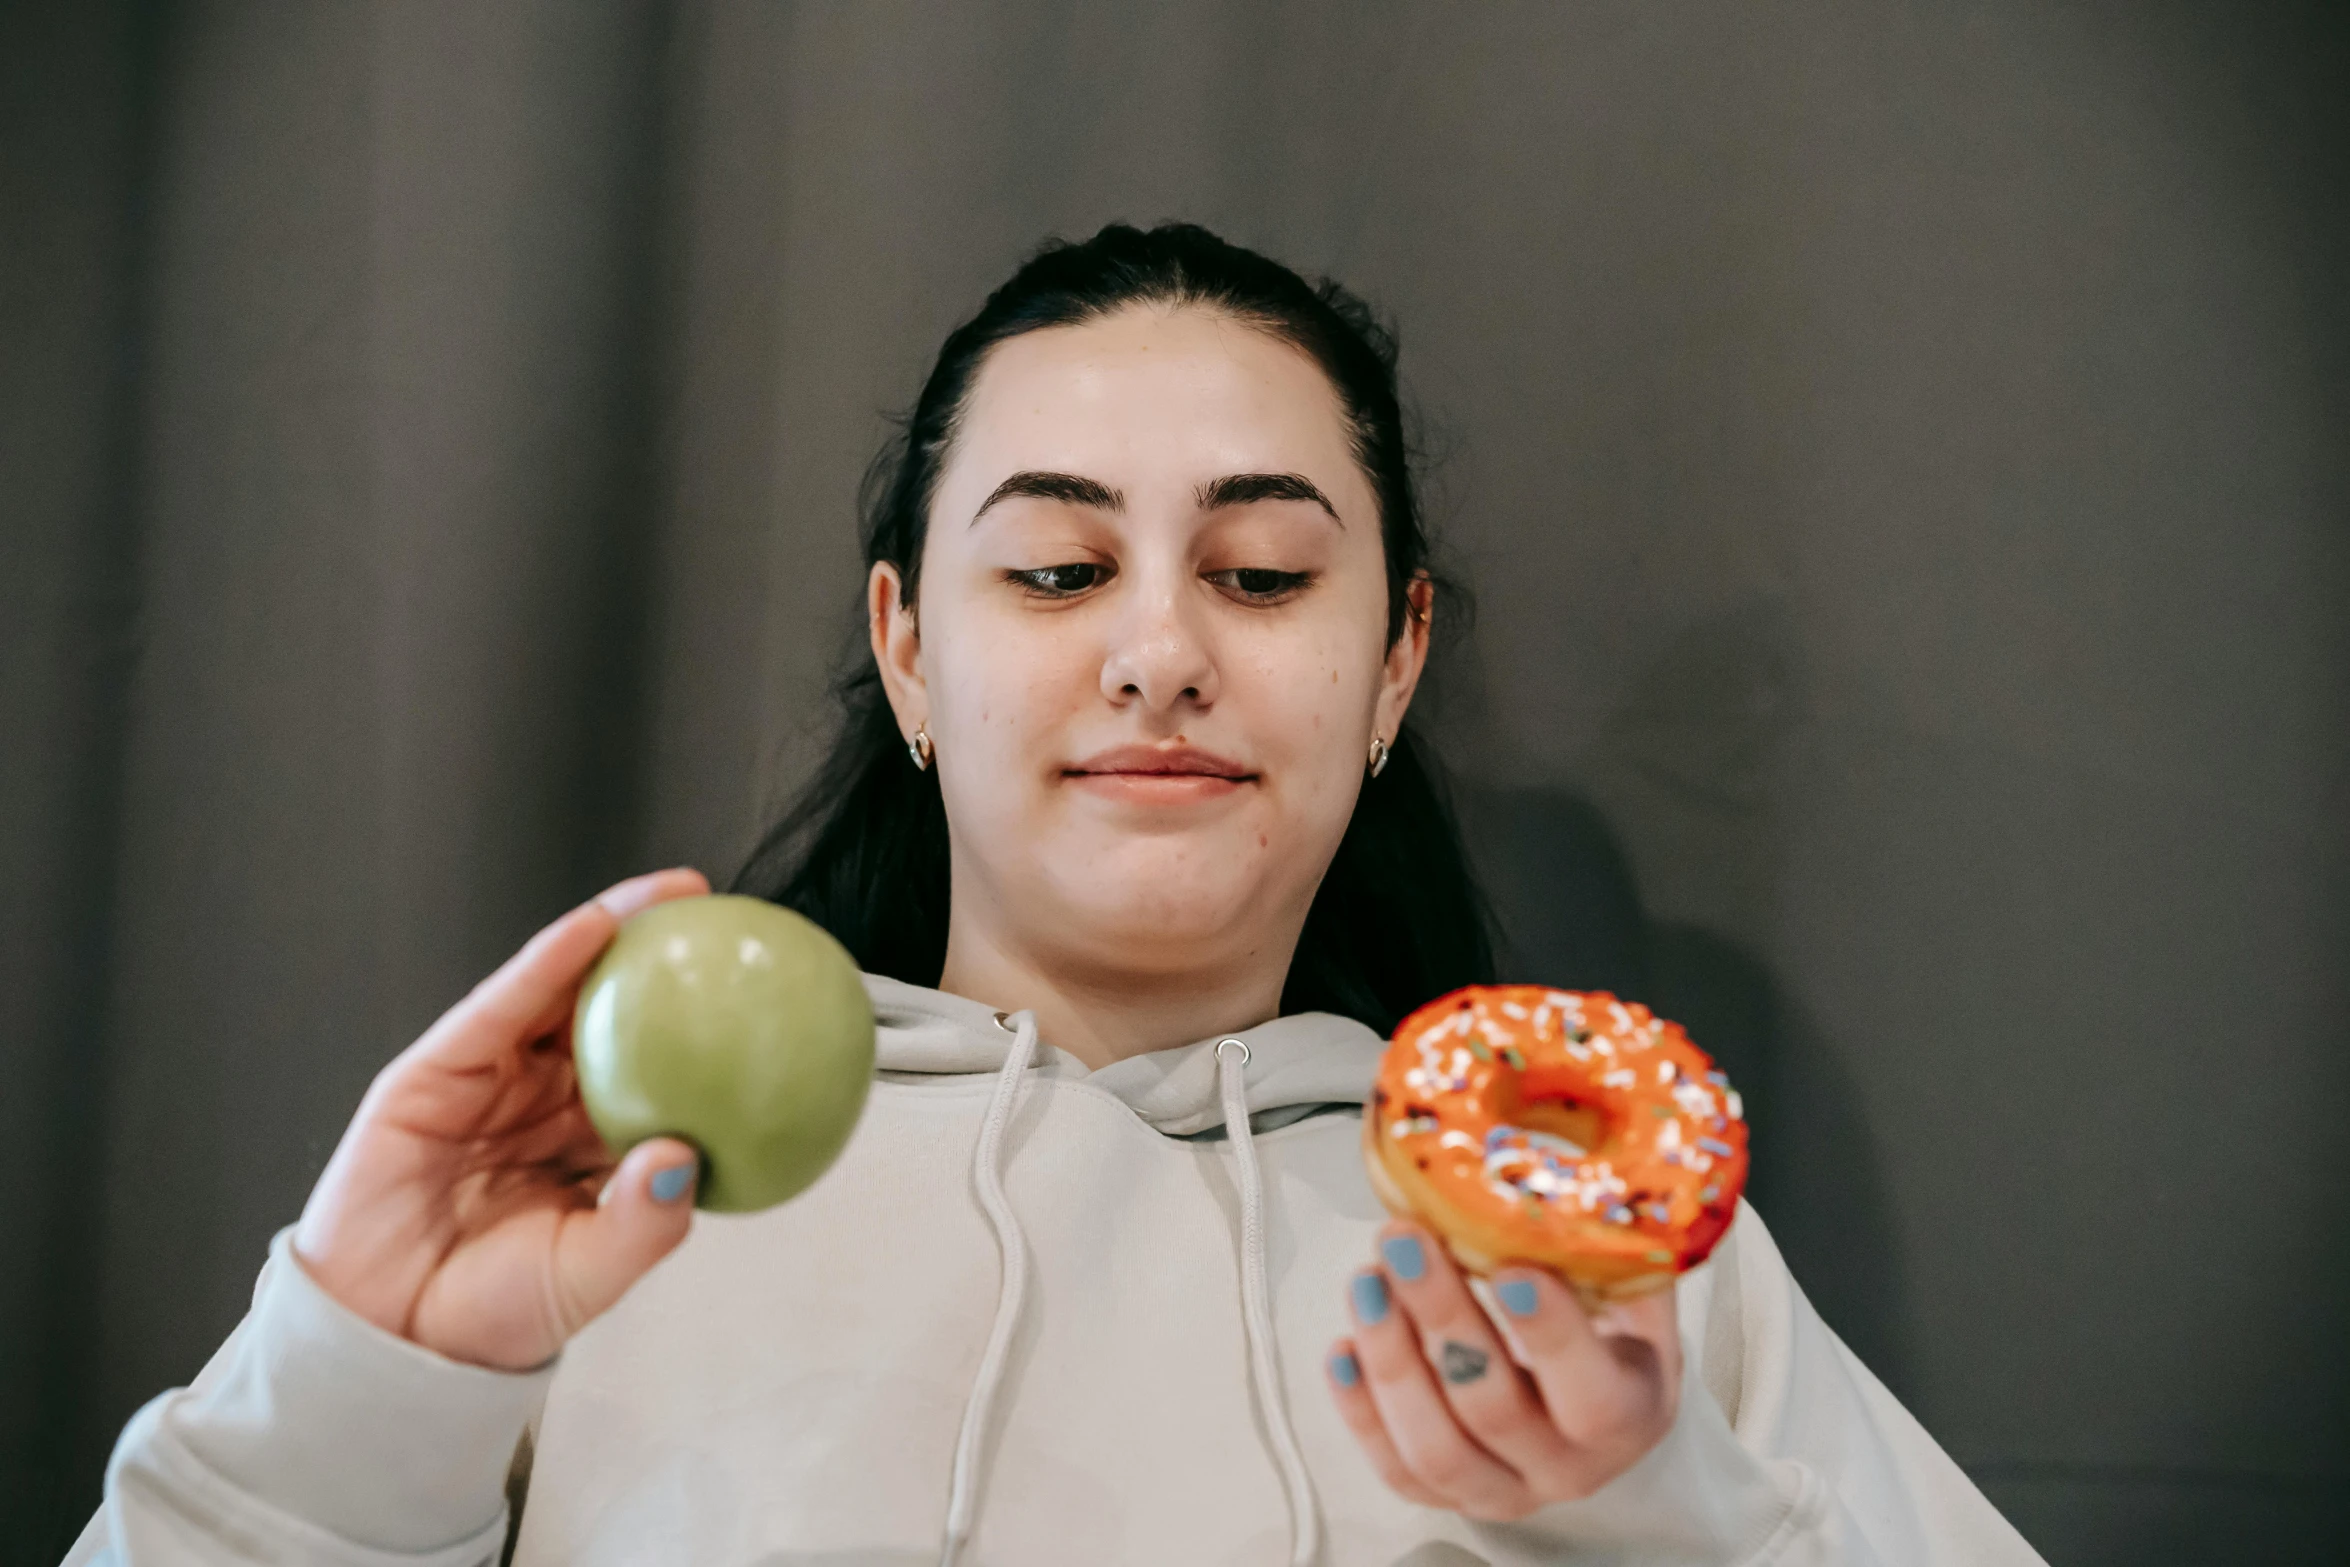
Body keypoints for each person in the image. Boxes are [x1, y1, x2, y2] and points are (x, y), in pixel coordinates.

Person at [69, 223, 2042, 1565]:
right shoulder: (590, 1203)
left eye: (1261, 576)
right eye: (1053, 573)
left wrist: (1657, 1514)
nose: (1158, 653)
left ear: (1395, 662)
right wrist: (350, 1386)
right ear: (908, 649)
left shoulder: (1601, 1272)